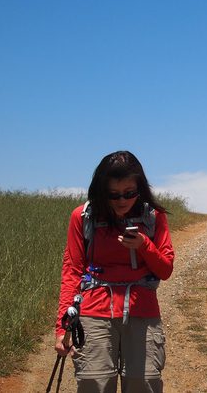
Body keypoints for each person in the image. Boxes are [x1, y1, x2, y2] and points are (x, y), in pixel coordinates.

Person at [54, 150, 175, 393]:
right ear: (101, 191)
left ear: (140, 188)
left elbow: (165, 269)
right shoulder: (83, 217)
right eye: (114, 194)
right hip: (93, 311)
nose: (122, 200)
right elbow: (72, 272)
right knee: (94, 383)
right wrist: (62, 327)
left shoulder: (153, 217)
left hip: (142, 312)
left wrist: (144, 246)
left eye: (130, 193)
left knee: (144, 383)